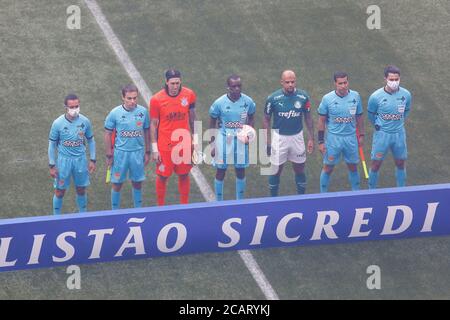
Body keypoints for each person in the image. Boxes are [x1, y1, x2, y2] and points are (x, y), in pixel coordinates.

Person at [263, 70, 314, 196]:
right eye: (287, 82)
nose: (290, 84)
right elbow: (266, 120)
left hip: (297, 137)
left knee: (300, 169)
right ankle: (273, 199)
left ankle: (301, 197)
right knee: (276, 170)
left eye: (292, 82)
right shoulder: (273, 98)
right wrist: (267, 142)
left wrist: (311, 138)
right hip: (279, 139)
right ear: (282, 82)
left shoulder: (303, 97)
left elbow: (308, 117)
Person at [149, 69, 197, 205]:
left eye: (177, 83)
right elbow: (153, 124)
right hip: (165, 146)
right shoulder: (156, 99)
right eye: (172, 83)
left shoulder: (189, 95)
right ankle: (160, 207)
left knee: (184, 174)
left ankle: (184, 205)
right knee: (163, 176)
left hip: (184, 145)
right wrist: (155, 149)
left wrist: (196, 142)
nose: (175, 86)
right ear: (166, 82)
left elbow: (194, 119)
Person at [209, 75, 256, 200]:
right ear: (228, 87)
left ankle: (239, 201)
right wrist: (212, 145)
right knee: (221, 171)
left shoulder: (248, 102)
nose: (236, 89)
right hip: (224, 140)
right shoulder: (219, 103)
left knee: (240, 171)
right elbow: (212, 123)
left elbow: (251, 117)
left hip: (240, 141)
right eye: (233, 86)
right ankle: (219, 202)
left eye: (239, 86)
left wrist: (249, 134)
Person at [48, 94, 96, 215]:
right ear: (66, 107)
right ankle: (56, 217)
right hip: (64, 161)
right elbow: (52, 145)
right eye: (72, 107)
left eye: (77, 106)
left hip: (80, 160)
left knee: (81, 189)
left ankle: (82, 215)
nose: (74, 109)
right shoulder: (58, 123)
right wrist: (52, 165)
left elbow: (91, 140)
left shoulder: (85, 121)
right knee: (60, 191)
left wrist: (93, 160)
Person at [104, 84, 150, 209]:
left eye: (135, 98)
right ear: (123, 97)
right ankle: (114, 212)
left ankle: (138, 210)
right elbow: (107, 133)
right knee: (117, 184)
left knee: (137, 183)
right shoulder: (115, 113)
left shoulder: (143, 112)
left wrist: (147, 152)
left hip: (137, 153)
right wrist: (109, 153)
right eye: (129, 98)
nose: (132, 101)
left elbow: (146, 131)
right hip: (120, 154)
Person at [317, 72, 364, 192]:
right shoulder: (327, 99)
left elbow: (359, 117)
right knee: (328, 167)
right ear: (335, 84)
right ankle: (323, 195)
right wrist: (321, 141)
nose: (343, 86)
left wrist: (361, 135)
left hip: (351, 138)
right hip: (334, 139)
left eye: (345, 82)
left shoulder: (355, 96)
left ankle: (356, 193)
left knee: (353, 166)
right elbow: (321, 120)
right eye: (340, 83)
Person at [367, 65, 412, 188]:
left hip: (399, 134)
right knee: (376, 164)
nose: (394, 82)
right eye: (391, 79)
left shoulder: (406, 94)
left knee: (401, 163)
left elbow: (406, 110)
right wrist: (378, 125)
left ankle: (401, 190)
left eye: (396, 79)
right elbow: (371, 114)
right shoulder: (376, 97)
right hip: (382, 135)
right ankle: (371, 191)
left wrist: (398, 122)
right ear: (385, 79)